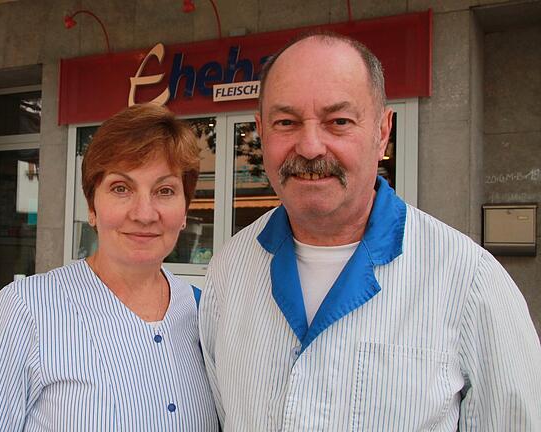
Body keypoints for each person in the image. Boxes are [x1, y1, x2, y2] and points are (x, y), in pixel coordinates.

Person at [199, 31, 541, 431]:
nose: (310, 147)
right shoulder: (229, 270)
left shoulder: (470, 282)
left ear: (382, 132)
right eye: (286, 122)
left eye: (338, 121)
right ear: (261, 131)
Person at [0, 103, 218, 431]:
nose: (144, 213)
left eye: (164, 191)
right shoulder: (26, 311)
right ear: (92, 207)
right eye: (121, 188)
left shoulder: (202, 314)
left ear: (184, 211)